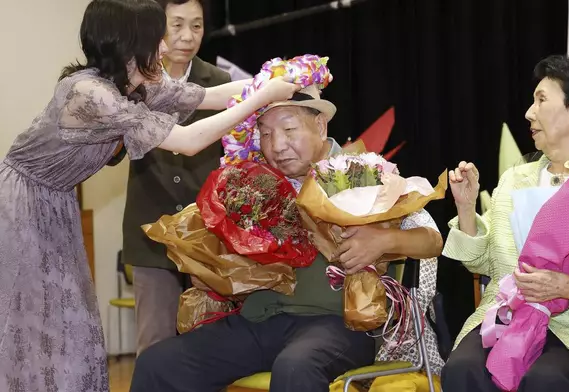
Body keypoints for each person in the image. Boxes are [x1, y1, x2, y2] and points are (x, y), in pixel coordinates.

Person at [0, 0, 299, 390]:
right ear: (128, 42)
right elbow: (189, 141)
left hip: (54, 202)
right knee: (32, 319)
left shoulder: (131, 82)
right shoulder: (90, 93)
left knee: (65, 315)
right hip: (21, 205)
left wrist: (279, 79)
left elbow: (209, 96)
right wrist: (261, 98)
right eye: (155, 37)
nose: (164, 47)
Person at [128, 85, 445, 392]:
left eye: (289, 129)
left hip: (336, 324)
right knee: (159, 364)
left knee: (295, 367)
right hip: (259, 320)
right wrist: (215, 271)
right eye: (265, 133)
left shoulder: (360, 173)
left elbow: (432, 240)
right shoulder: (252, 184)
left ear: (320, 125)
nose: (276, 145)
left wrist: (381, 241)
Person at [440, 52, 569, 392]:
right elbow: (480, 263)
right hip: (509, 318)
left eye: (541, 99)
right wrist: (465, 205)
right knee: (462, 369)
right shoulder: (515, 178)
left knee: (545, 381)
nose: (529, 112)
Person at [122, 0, 235, 356]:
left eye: (197, 26)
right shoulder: (134, 79)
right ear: (158, 29)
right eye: (178, 25)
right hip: (150, 229)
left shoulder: (220, 82)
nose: (188, 36)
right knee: (154, 344)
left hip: (207, 232)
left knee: (211, 344)